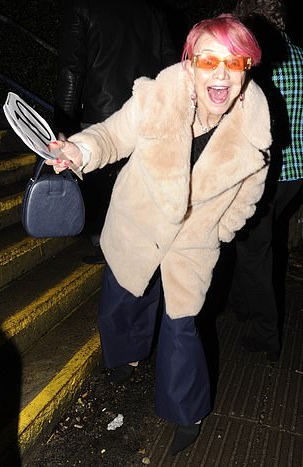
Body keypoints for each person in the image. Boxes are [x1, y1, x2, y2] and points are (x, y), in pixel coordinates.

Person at [46, 14, 271, 455]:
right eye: (209, 60)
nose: (221, 73)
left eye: (235, 61)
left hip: (193, 244)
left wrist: (218, 230)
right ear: (189, 64)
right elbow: (111, 135)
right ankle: (126, 355)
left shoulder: (255, 134)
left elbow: (248, 199)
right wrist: (79, 149)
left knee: (183, 328)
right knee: (125, 294)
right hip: (137, 222)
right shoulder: (156, 98)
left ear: (246, 70)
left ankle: (185, 409)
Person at [54, 0, 177, 263]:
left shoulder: (83, 7)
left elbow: (71, 70)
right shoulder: (154, 11)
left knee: (100, 188)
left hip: (102, 117)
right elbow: (171, 68)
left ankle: (111, 248)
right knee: (135, 186)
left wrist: (63, 124)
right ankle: (132, 249)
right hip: (146, 113)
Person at [230, 0, 303, 361]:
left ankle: (266, 335)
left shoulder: (255, 64)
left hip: (265, 173)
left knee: (253, 249)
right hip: (298, 175)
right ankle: (243, 304)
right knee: (259, 239)